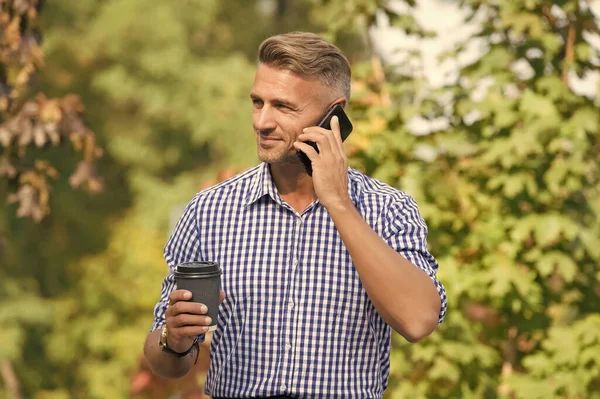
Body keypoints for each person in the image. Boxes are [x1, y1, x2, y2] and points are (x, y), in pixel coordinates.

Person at [143, 31, 447, 399]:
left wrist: (338, 204)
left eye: (284, 107)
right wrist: (173, 340)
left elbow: (419, 320)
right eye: (258, 102)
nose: (262, 122)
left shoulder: (389, 210)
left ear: (334, 114)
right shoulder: (209, 210)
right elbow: (166, 361)